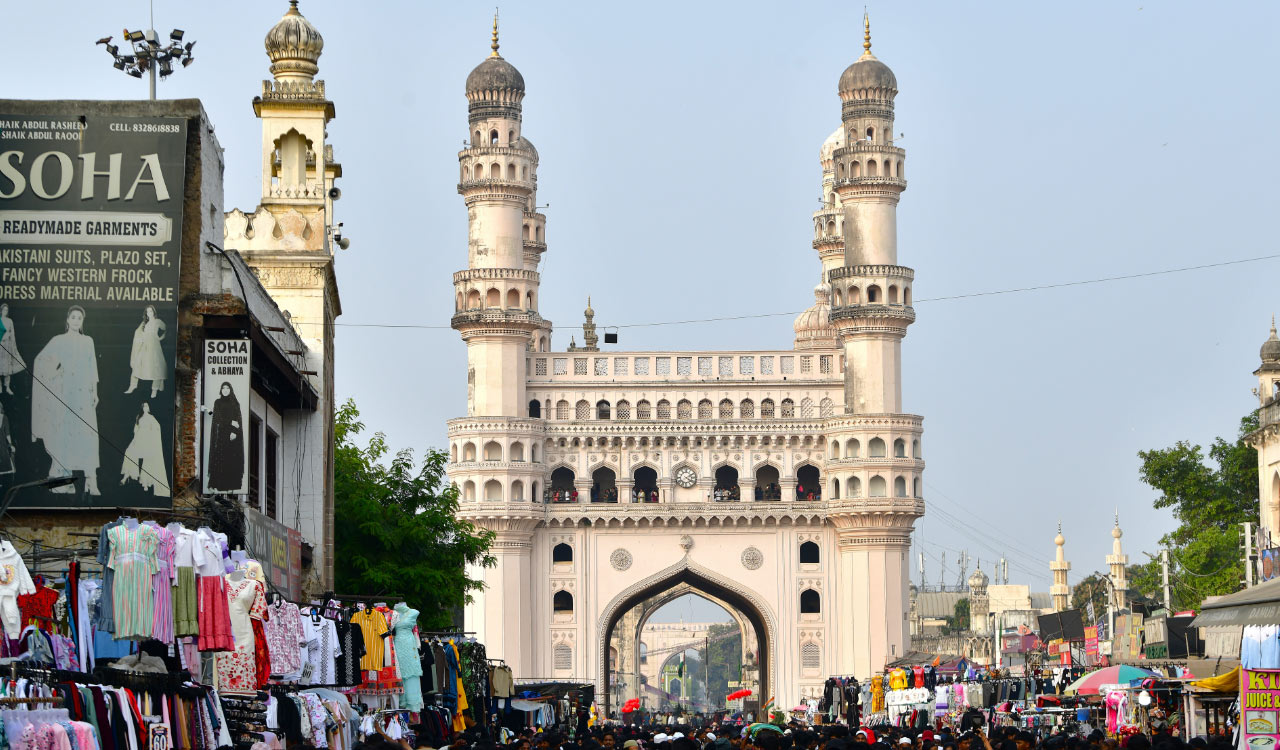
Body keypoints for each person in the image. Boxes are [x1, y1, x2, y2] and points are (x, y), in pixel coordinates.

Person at [32, 305, 100, 495]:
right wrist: (55, 371)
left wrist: (95, 392)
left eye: (80, 318)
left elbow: (92, 368)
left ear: (82, 321)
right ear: (68, 320)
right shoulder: (58, 341)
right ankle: (65, 479)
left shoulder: (88, 341)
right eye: (74, 317)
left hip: (83, 394)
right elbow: (40, 362)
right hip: (64, 393)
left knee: (87, 433)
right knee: (64, 433)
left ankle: (90, 480)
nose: (77, 320)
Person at [121, 402, 169, 496]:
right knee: (129, 453)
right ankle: (126, 477)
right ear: (142, 408)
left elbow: (157, 428)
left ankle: (145, 483)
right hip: (139, 440)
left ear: (149, 407)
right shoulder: (139, 417)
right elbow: (136, 430)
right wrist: (134, 440)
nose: (145, 407)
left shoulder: (151, 417)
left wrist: (151, 437)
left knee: (148, 460)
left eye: (147, 406)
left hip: (147, 442)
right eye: (143, 406)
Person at [207, 381, 245, 491]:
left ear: (230, 390)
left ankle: (230, 486)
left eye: (227, 388)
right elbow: (217, 419)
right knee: (221, 460)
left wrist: (235, 432)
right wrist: (230, 422)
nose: (225, 390)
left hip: (233, 437)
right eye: (223, 388)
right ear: (220, 390)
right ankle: (219, 485)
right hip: (222, 435)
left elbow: (238, 421)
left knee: (230, 460)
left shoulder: (235, 403)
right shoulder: (217, 402)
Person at [125, 305, 167, 398]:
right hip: (145, 347)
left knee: (157, 367)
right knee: (137, 365)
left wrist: (161, 338)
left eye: (151, 311)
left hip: (155, 347)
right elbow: (138, 333)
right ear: (146, 314)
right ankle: (132, 386)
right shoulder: (144, 323)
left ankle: (154, 390)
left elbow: (166, 328)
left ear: (154, 312)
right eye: (148, 312)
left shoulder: (157, 321)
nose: (149, 313)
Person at [0, 303, 24, 394]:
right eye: (4, 310)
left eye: (7, 310)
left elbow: (12, 334)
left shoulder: (9, 321)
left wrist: (13, 346)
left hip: (8, 346)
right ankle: (0, 388)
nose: (5, 311)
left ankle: (7, 387)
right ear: (1, 311)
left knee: (7, 367)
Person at [0, 401, 14, 476]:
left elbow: (7, 433)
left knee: (4, 467)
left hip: (2, 445)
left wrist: (10, 444)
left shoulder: (4, 418)